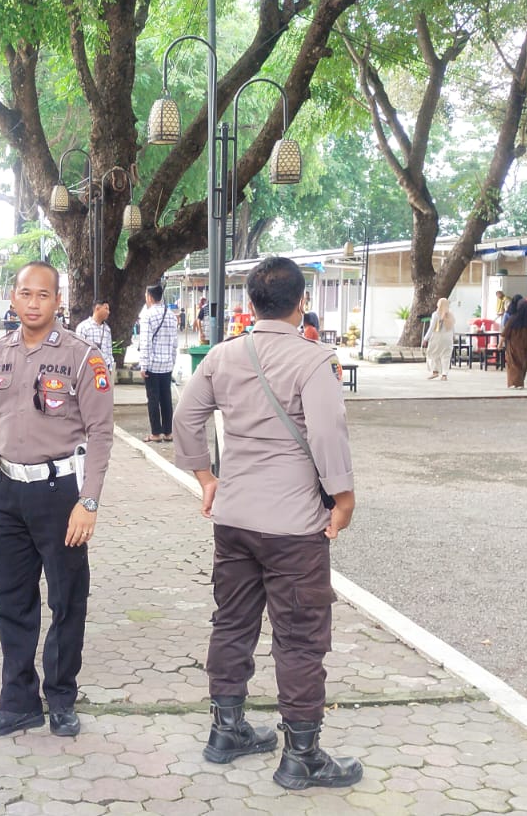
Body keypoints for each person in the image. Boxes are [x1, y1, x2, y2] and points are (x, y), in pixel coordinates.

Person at [170, 257, 362, 791]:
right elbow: (327, 434)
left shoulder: (222, 355)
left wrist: (206, 478)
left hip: (233, 518)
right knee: (299, 639)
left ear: (251, 304)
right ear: (302, 302)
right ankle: (302, 756)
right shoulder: (313, 360)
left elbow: (185, 417)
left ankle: (226, 731)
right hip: (293, 526)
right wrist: (343, 498)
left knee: (232, 622)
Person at [0, 262, 115, 740]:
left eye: (43, 295)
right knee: (12, 600)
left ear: (58, 301)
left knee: (67, 598)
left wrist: (89, 502)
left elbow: (101, 433)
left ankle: (61, 698)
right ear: (13, 298)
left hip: (61, 494)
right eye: (25, 293)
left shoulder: (83, 357)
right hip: (8, 492)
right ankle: (18, 702)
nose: (33, 303)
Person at [138, 284, 177, 443]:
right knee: (166, 398)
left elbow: (145, 342)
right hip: (167, 364)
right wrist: (172, 361)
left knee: (153, 398)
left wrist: (143, 365)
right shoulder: (172, 316)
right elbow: (175, 342)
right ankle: (168, 432)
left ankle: (156, 433)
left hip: (152, 365)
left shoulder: (147, 316)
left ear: (149, 297)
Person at [502, 295, 527, 389]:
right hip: (526, 345)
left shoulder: (512, 318)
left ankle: (515, 383)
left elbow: (505, 332)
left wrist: (500, 344)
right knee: (523, 364)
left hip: (513, 345)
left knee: (513, 364)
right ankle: (519, 382)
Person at [74, 301, 115, 375]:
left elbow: (109, 351)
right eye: (106, 308)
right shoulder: (83, 327)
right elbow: (78, 351)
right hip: (88, 370)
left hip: (104, 369)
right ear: (97, 308)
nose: (108, 312)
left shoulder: (107, 329)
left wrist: (110, 368)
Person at [424, 298, 456, 381]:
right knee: (446, 356)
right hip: (448, 338)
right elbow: (453, 328)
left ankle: (435, 371)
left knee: (433, 354)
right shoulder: (450, 315)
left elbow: (431, 328)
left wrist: (426, 338)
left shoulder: (436, 314)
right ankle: (444, 375)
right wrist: (453, 337)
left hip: (437, 338)